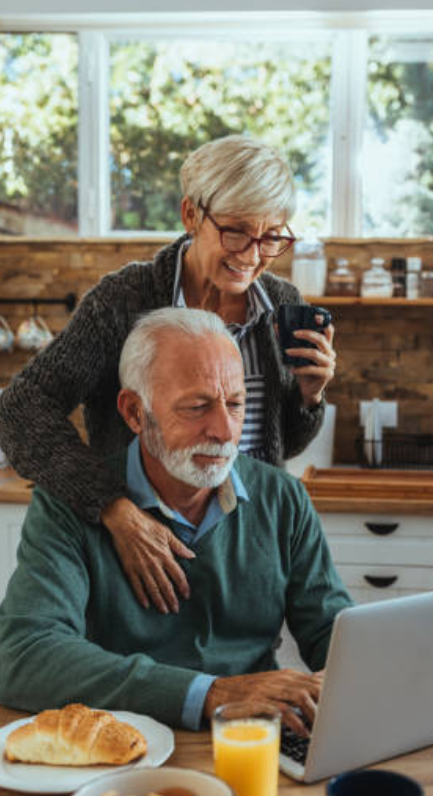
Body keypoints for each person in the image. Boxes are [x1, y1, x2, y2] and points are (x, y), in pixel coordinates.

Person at [0, 134, 336, 617]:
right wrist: (113, 508)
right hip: (139, 550)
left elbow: (276, 445)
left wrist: (309, 396)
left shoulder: (283, 304)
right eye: (237, 231)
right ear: (191, 215)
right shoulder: (123, 302)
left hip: (241, 551)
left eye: (271, 237)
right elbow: (20, 408)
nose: (253, 254)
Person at [0, 309, 351, 733]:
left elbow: (334, 631)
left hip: (253, 742)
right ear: (134, 412)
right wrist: (210, 694)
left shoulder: (283, 498)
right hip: (121, 752)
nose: (224, 431)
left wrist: (356, 670)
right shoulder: (68, 506)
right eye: (197, 407)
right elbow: (22, 656)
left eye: (236, 404)